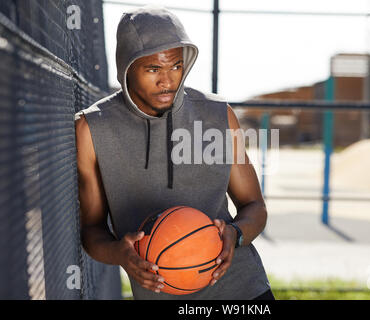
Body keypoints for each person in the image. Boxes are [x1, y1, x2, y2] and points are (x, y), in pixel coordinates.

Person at [75, 5, 273, 300]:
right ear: (127, 69)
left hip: (242, 290)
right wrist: (120, 253)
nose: (168, 82)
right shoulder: (92, 129)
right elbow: (92, 229)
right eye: (153, 69)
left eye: (176, 66)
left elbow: (255, 206)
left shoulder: (218, 115)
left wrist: (236, 234)